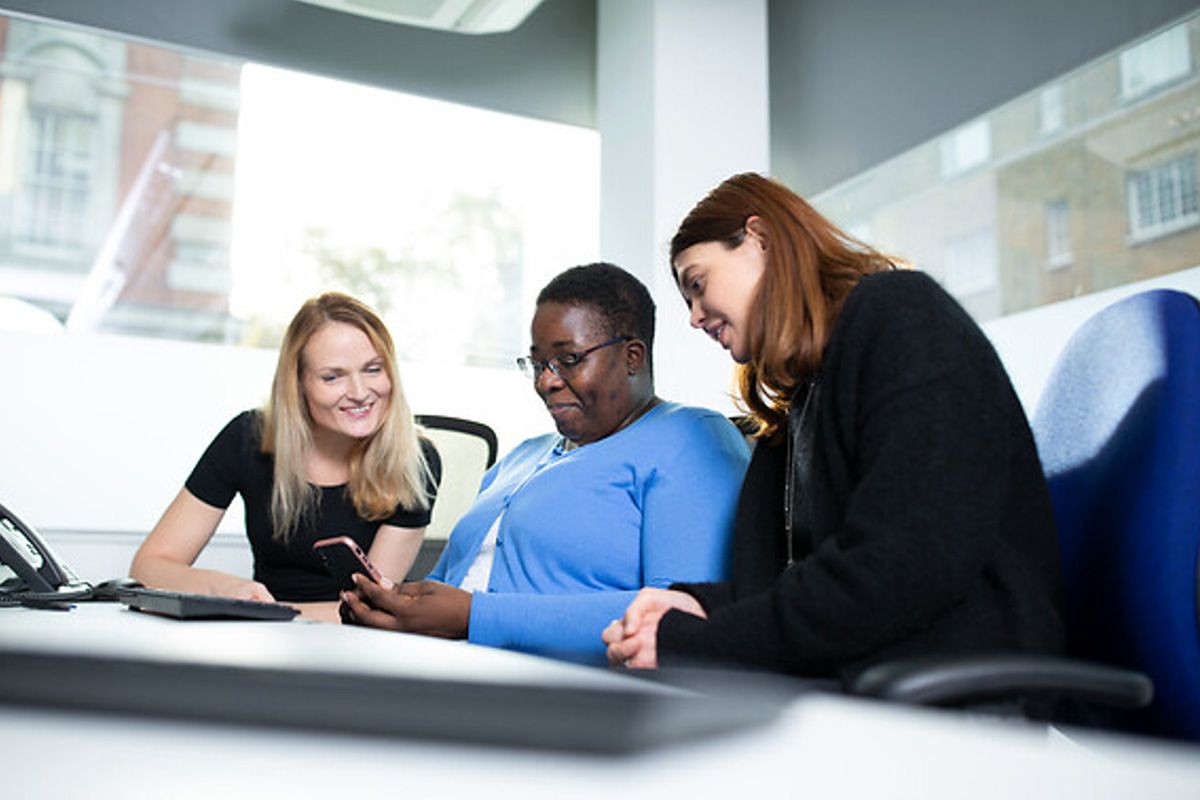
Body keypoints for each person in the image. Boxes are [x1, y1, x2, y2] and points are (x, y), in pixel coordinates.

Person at [603, 173, 1065, 680]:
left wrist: (695, 643)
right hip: (871, 677)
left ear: (761, 238)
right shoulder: (803, 397)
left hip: (955, 690)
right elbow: (790, 585)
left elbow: (900, 569)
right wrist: (695, 606)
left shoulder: (902, 314)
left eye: (697, 283)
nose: (693, 317)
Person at [341, 263, 750, 659]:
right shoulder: (522, 456)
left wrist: (474, 616)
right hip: (444, 669)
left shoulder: (691, 439)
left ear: (633, 357)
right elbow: (448, 587)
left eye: (568, 359)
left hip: (567, 698)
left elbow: (680, 615)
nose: (546, 381)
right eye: (537, 364)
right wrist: (392, 608)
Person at [131, 292, 440, 620]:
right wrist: (224, 590)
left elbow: (372, 610)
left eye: (373, 369)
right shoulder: (248, 437)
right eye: (332, 377)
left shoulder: (414, 461)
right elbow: (148, 567)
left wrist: (263, 612)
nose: (360, 392)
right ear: (299, 384)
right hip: (263, 639)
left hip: (352, 642)